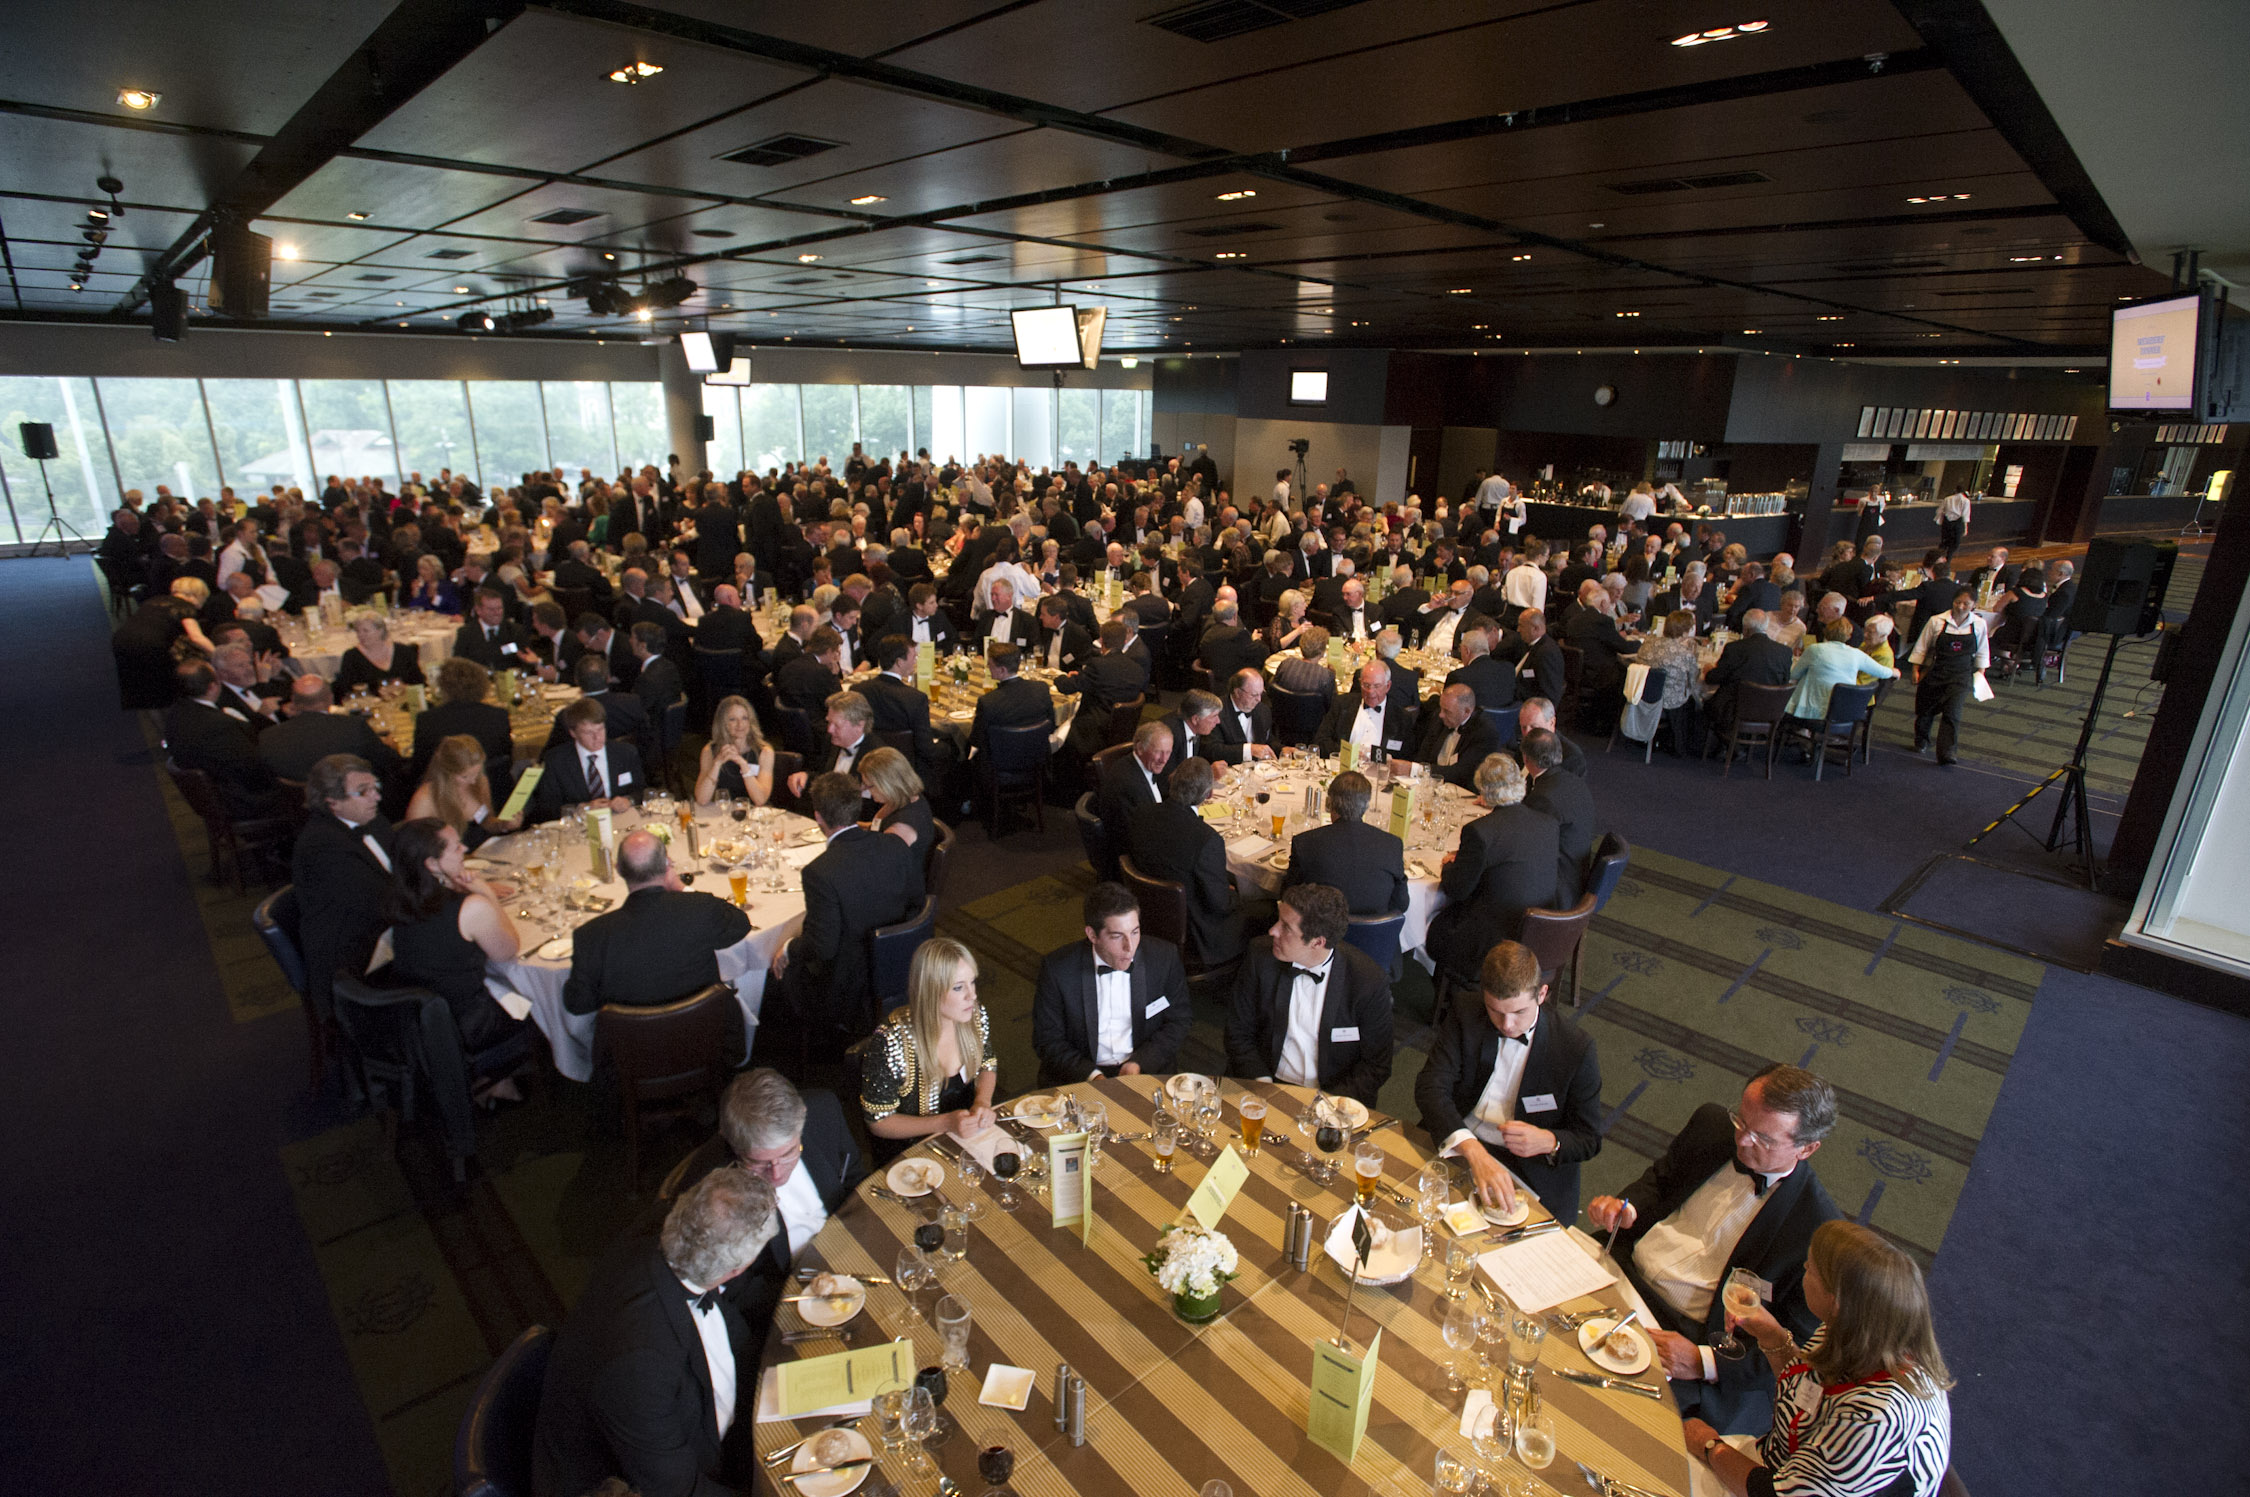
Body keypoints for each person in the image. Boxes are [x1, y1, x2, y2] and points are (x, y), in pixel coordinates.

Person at [1586, 1065, 1843, 1434]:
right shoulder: (1711, 1125)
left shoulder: (1816, 1226)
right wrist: (1629, 1208)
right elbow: (1660, 1181)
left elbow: (1794, 1346)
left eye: (1764, 1139)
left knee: (1609, 1420)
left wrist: (1703, 1361)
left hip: (1684, 1331)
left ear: (1807, 1148)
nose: (1742, 1141)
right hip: (1623, 1266)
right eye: (1742, 1121)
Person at [532, 1169, 777, 1497]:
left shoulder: (683, 1239)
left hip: (694, 1439)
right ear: (737, 1270)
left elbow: (735, 1339)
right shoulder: (640, 1363)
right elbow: (678, 1488)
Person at [1687, 1221, 1955, 1497]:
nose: (1803, 1269)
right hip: (1780, 1462)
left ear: (1835, 1301)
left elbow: (1780, 1495)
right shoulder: (1861, 1329)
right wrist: (1772, 1336)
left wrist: (1711, 1447)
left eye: (1810, 1269)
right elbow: (1808, 1395)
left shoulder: (1875, 1419)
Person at [664, 1069, 868, 1347]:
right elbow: (735, 1287)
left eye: (788, 1154)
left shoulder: (825, 1110)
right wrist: (803, 1294)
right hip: (787, 1292)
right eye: (759, 1163)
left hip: (849, 1248)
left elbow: (855, 1178)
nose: (776, 1174)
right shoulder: (708, 1189)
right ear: (734, 1146)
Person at [1415, 939, 1602, 1223]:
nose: (1507, 1025)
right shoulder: (1466, 1010)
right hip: (1462, 1139)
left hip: (1529, 1165)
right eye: (1496, 1011)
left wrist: (1549, 1141)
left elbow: (1589, 1139)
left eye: (1518, 1012)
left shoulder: (1575, 1048)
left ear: (1542, 994)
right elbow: (1430, 1087)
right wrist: (1473, 1150)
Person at [774, 772, 925, 1066]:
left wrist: (789, 948)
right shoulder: (894, 845)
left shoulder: (820, 872)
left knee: (781, 971)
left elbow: (822, 949)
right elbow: (917, 902)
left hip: (850, 986)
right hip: (902, 964)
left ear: (818, 818)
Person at [1222, 882, 1395, 1108]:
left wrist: (1328, 1105)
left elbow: (1376, 1066)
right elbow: (1237, 1032)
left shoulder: (1368, 981)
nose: (1272, 930)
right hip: (1265, 1083)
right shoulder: (1259, 956)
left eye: (1286, 927)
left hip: (1333, 1096)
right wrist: (1263, 1085)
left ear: (1317, 942)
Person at [382, 818, 525, 1083]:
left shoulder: (402, 900)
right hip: (468, 1025)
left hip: (419, 1019)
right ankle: (505, 1079)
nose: (464, 848)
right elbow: (508, 950)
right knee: (536, 997)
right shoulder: (470, 908)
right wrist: (485, 893)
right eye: (456, 847)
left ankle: (498, 1082)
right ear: (432, 864)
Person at [564, 830, 751, 1018]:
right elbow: (741, 924)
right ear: (667, 864)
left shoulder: (591, 936)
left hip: (632, 1044)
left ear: (618, 869)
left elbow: (577, 1003)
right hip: (707, 1036)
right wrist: (682, 888)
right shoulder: (701, 909)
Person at [1030, 881, 1194, 1087]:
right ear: (1092, 935)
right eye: (1117, 937)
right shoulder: (1058, 969)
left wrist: (1139, 1063)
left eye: (1135, 932)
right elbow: (1047, 1040)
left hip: (1144, 1068)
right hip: (1081, 1074)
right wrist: (1093, 1077)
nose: (1130, 948)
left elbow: (1179, 1020)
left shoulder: (1163, 958)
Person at [860, 936, 999, 1159]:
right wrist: (945, 1123)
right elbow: (879, 1121)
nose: (971, 996)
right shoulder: (891, 1041)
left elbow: (987, 1065)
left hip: (970, 1139)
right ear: (930, 992)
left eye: (972, 982)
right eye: (958, 988)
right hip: (915, 1153)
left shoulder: (974, 1017)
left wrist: (982, 1101)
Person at [1428, 754, 1561, 986]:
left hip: (1492, 942)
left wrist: (1450, 865)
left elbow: (1456, 889)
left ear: (1484, 791)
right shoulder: (1548, 824)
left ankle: (1449, 995)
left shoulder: (1480, 832)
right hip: (1540, 933)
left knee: (1436, 925)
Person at [291, 754, 396, 1035]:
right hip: (353, 961)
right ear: (332, 802)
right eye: (363, 792)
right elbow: (379, 904)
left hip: (377, 929)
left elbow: (401, 868)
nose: (376, 797)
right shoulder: (323, 847)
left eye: (376, 787)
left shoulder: (371, 819)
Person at [1123, 757, 1257, 965]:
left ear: (1172, 781)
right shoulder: (1207, 839)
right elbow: (1219, 905)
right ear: (1209, 794)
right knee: (1264, 908)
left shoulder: (1142, 813)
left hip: (1146, 913)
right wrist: (1235, 893)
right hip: (1195, 933)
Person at [1281, 771, 1409, 917]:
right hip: (1374, 937)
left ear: (1330, 804)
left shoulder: (1305, 843)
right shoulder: (1392, 845)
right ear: (1366, 806)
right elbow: (1401, 904)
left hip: (1321, 934)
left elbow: (1288, 896)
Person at [163, 659, 278, 817]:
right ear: (212, 687)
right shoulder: (220, 725)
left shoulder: (175, 713)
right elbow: (252, 769)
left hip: (216, 793)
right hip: (242, 801)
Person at [259, 674, 399, 786]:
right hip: (352, 804)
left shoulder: (268, 737)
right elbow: (387, 762)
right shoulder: (353, 727)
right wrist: (391, 746)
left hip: (296, 812)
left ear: (294, 702)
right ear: (330, 699)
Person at [1906, 589, 1988, 766]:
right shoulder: (1937, 621)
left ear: (1973, 605)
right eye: (1958, 602)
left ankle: (1947, 752)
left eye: (1966, 604)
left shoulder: (1979, 624)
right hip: (1936, 671)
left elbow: (1982, 650)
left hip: (1961, 674)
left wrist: (1981, 673)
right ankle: (1921, 740)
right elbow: (1921, 646)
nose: (1960, 607)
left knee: (1953, 713)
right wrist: (1915, 669)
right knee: (1925, 710)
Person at [528, 697, 645, 822]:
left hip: (621, 820)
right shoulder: (556, 760)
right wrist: (581, 808)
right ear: (573, 733)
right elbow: (547, 807)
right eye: (588, 733)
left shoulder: (625, 752)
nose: (597, 737)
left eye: (600, 729)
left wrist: (629, 800)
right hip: (579, 826)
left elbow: (641, 790)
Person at [1521, 728, 1596, 904]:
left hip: (1557, 890)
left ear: (1525, 758)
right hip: (1577, 875)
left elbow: (1528, 846)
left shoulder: (1543, 797)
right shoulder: (1575, 782)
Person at [411, 655, 514, 783]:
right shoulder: (499, 715)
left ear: (443, 687)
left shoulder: (427, 720)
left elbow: (419, 767)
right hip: (496, 789)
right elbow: (507, 757)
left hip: (447, 794)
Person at [405, 733, 518, 849]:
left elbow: (486, 822)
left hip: (484, 855)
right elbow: (413, 849)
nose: (473, 781)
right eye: (465, 777)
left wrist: (503, 825)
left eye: (477, 773)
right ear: (447, 772)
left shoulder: (480, 781)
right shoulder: (425, 798)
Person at [1704, 609, 1795, 741]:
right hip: (1769, 711)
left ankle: (1726, 743)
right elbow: (1784, 682)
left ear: (1745, 629)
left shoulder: (1735, 648)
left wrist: (1709, 669)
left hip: (1732, 711)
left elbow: (1712, 679)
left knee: (1705, 706)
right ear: (1765, 627)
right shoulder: (1784, 652)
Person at [1786, 620, 1898, 724]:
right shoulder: (1856, 654)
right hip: (1840, 712)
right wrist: (1895, 672)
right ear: (1849, 636)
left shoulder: (1814, 649)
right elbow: (1883, 672)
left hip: (1809, 711)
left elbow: (1794, 674)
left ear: (1826, 633)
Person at [1315, 659, 1416, 759]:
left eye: (1377, 686)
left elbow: (1405, 756)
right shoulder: (1342, 704)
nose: (1370, 691)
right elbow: (1321, 740)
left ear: (1388, 686)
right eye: (1366, 685)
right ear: (1360, 683)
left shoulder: (1401, 718)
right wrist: (1348, 753)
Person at [1413, 683, 1501, 790]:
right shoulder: (1441, 718)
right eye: (1441, 708)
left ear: (1467, 711)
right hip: (1431, 786)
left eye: (1447, 711)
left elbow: (1461, 774)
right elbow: (1423, 755)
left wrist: (1418, 769)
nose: (1441, 714)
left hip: (1463, 792)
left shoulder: (1485, 732)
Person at [694, 694, 775, 806]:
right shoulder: (709, 751)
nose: (740, 724)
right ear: (723, 724)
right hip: (724, 813)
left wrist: (744, 765)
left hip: (754, 816)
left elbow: (760, 800)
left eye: (744, 718)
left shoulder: (765, 752)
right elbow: (702, 799)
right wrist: (717, 764)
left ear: (750, 721)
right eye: (732, 719)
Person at [859, 745, 935, 855]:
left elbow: (882, 864)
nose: (864, 790)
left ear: (887, 785)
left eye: (868, 786)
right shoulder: (903, 799)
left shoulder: (901, 828)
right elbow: (876, 826)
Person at [332, 611, 425, 697]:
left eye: (366, 631)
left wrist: (406, 689)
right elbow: (347, 692)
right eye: (358, 631)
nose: (360, 635)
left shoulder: (402, 651)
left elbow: (419, 682)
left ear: (380, 631)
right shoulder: (351, 657)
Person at [452, 588, 534, 675]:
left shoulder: (515, 631)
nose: (497, 613)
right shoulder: (466, 633)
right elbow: (458, 666)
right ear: (478, 610)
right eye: (491, 609)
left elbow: (527, 662)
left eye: (499, 608)